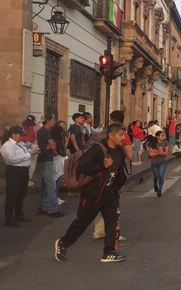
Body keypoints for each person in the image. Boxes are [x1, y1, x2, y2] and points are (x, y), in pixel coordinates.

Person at [54, 124, 128, 263]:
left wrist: (120, 185)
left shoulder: (119, 150)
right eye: (120, 135)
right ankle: (63, 243)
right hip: (93, 194)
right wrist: (102, 166)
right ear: (111, 135)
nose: (123, 138)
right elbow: (82, 168)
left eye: (124, 135)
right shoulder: (97, 149)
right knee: (82, 222)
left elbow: (118, 170)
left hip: (110, 194)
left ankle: (108, 252)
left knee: (112, 221)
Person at [91, 110, 132, 242]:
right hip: (114, 175)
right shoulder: (121, 134)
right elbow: (130, 156)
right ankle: (114, 232)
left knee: (101, 202)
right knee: (114, 206)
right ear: (122, 119)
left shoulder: (103, 132)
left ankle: (98, 230)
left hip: (99, 173)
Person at [0, 126, 38, 226]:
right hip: (14, 171)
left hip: (23, 171)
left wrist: (31, 153)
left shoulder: (20, 144)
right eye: (21, 135)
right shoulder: (7, 146)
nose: (22, 137)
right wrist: (29, 155)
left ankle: (19, 214)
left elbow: (24, 153)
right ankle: (9, 218)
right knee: (12, 194)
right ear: (14, 134)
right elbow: (11, 159)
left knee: (21, 193)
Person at [36, 114, 62, 217]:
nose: (54, 121)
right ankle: (53, 209)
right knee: (51, 184)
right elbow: (53, 144)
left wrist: (51, 146)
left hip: (43, 158)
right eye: (53, 120)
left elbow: (51, 144)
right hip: (47, 159)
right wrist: (54, 150)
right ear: (48, 121)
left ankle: (43, 207)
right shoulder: (45, 131)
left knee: (44, 185)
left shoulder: (42, 131)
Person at [148, 130, 169, 197]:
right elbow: (150, 154)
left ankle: (160, 189)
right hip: (154, 162)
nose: (163, 137)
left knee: (161, 175)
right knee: (156, 176)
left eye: (163, 135)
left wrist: (160, 152)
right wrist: (157, 152)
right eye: (161, 135)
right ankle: (155, 184)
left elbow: (166, 153)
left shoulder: (165, 142)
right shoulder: (153, 144)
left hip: (163, 162)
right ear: (157, 136)